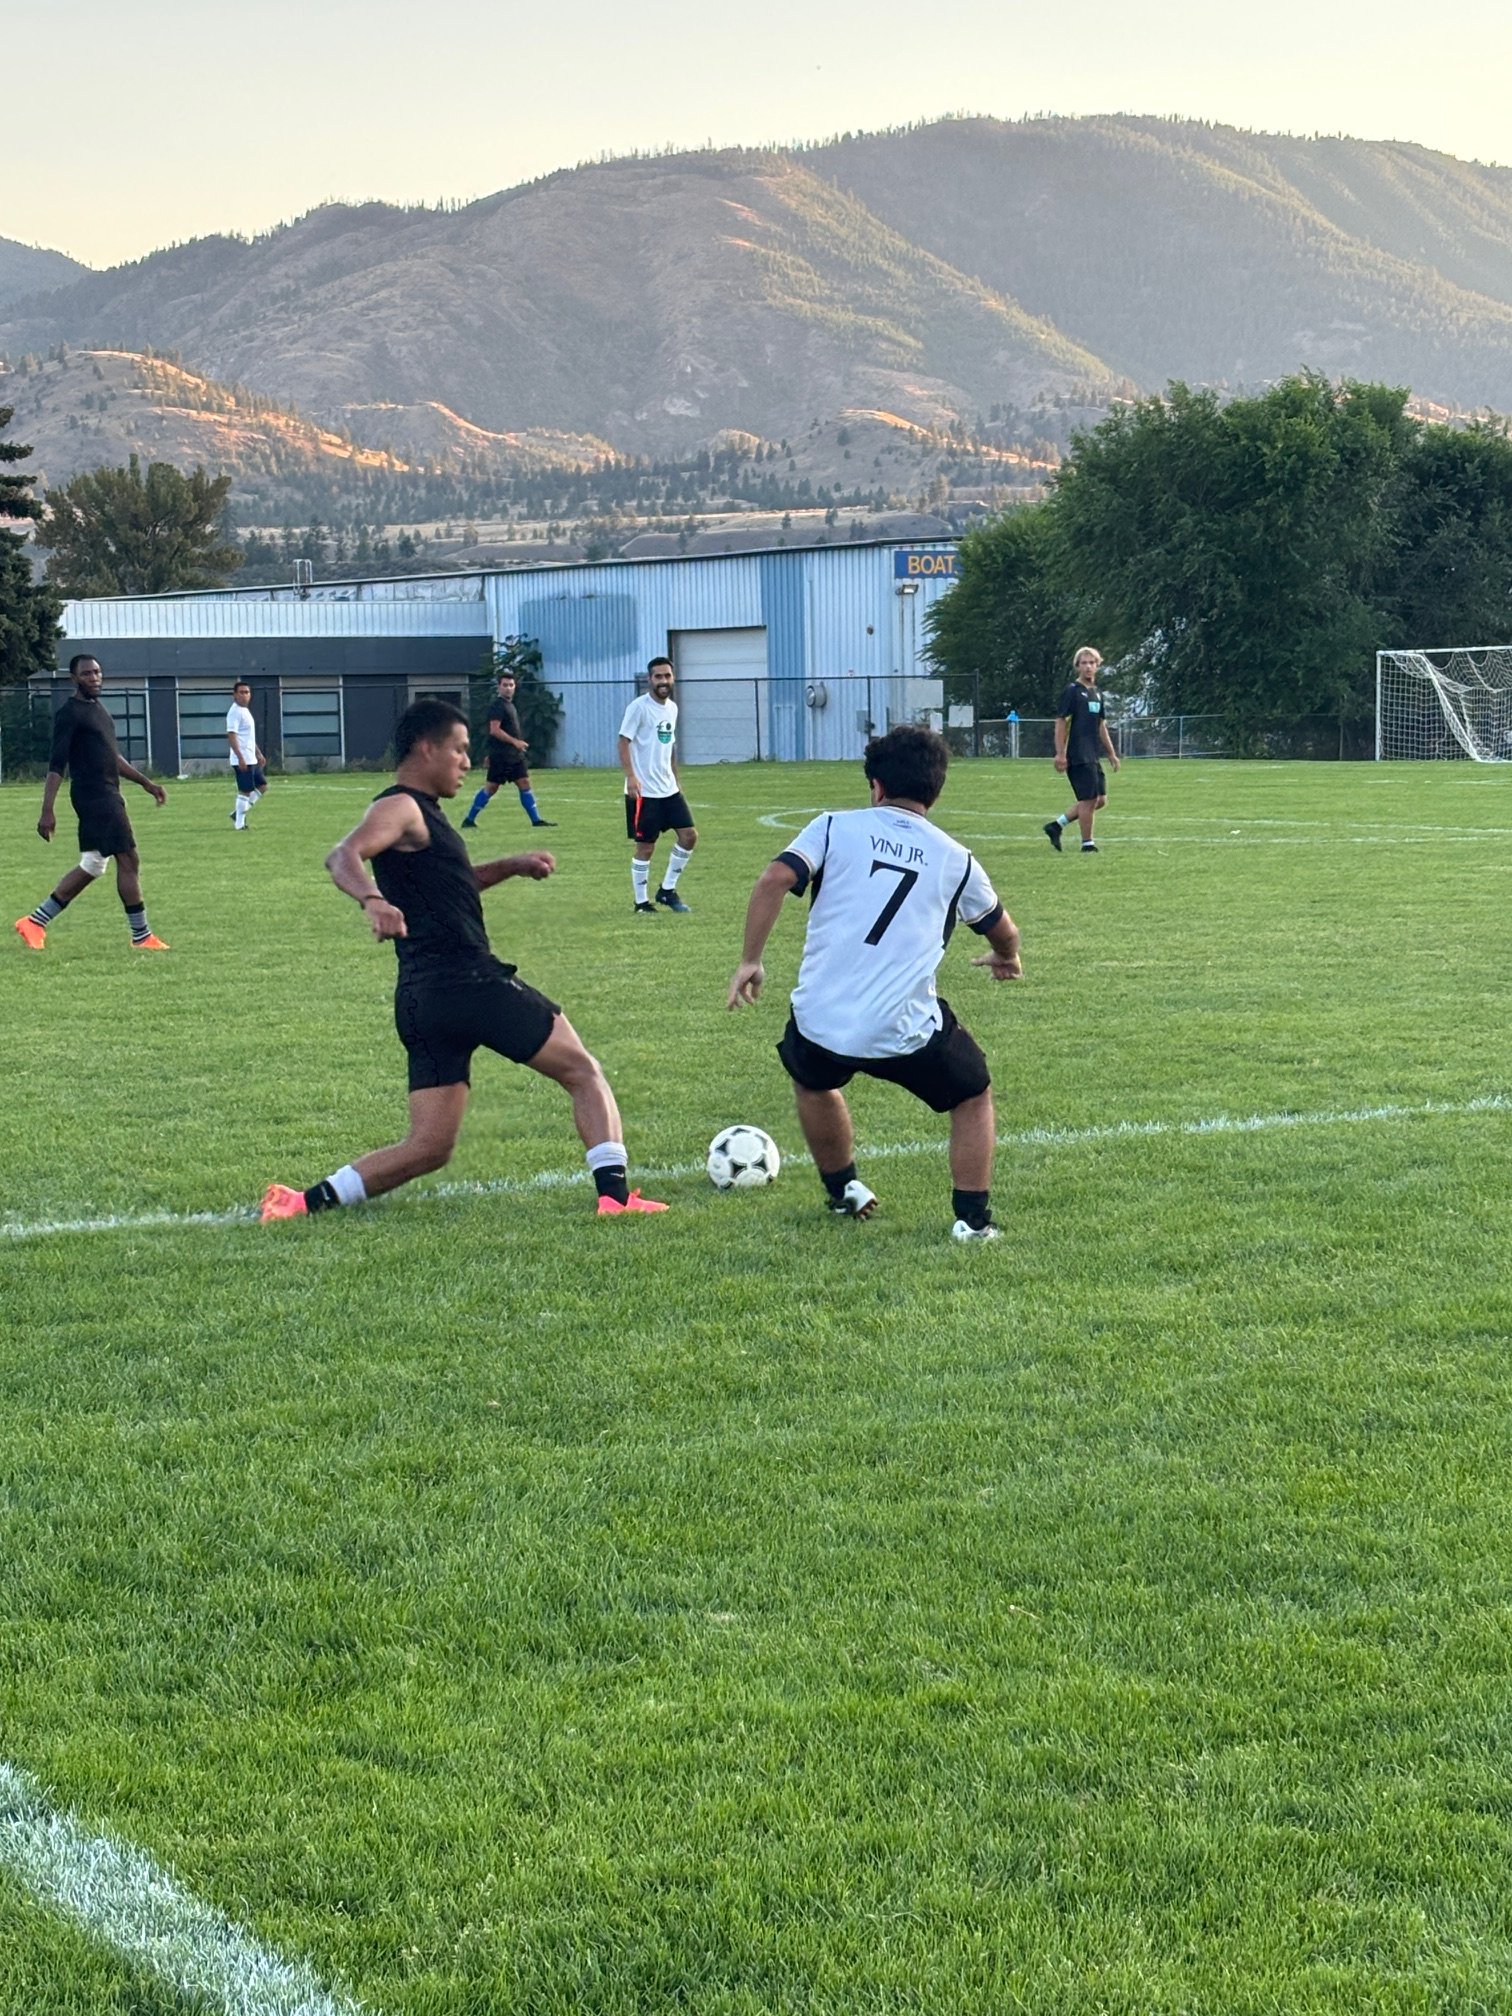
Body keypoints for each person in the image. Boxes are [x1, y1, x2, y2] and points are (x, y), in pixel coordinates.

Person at [260, 698, 665, 1223]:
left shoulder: (425, 818)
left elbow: (453, 885)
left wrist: (511, 865)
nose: (466, 762)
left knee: (429, 1147)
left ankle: (301, 1202)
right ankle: (615, 1197)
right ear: (427, 748)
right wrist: (373, 900)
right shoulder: (401, 806)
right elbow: (343, 855)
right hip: (470, 983)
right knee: (584, 1071)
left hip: (422, 999)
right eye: (459, 750)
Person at [727, 723, 1022, 1243]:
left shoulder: (832, 827)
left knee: (813, 1075)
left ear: (877, 788)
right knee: (973, 1093)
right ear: (936, 790)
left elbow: (776, 878)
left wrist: (750, 960)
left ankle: (844, 1191)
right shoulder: (956, 859)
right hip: (902, 1029)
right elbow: (1002, 927)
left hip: (821, 1021)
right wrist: (1007, 956)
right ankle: (973, 1222)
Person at [14, 654, 169, 952]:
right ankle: (142, 936)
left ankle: (35, 922)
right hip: (95, 797)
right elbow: (57, 763)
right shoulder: (69, 713)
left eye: (97, 672)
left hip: (107, 793)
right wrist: (47, 810)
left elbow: (113, 756)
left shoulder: (98, 710)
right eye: (87, 674)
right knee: (129, 859)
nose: (94, 677)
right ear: (74, 678)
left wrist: (146, 783)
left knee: (94, 864)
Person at [618, 656, 695, 914]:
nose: (663, 681)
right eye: (658, 676)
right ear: (650, 679)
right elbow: (623, 741)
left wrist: (677, 778)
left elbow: (669, 745)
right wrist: (631, 777)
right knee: (646, 846)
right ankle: (641, 903)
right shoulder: (639, 708)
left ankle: (666, 891)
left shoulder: (672, 708)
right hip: (644, 791)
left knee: (689, 836)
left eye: (667, 676)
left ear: (673, 678)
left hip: (669, 789)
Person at [1044, 645, 1120, 853]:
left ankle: (1056, 825)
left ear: (1097, 666)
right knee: (1088, 799)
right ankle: (1088, 844)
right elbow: (1060, 721)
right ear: (1077, 666)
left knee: (1100, 799)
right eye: (1084, 663)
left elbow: (1101, 725)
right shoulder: (1072, 692)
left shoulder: (1096, 693)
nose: (1088, 666)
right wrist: (1060, 753)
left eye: (1092, 663)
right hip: (1077, 753)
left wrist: (1111, 753)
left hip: (1093, 753)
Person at [460, 670, 555, 831]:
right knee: (491, 788)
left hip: (514, 756)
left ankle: (536, 820)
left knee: (524, 783)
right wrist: (515, 742)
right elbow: (494, 730)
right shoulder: (497, 706)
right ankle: (469, 819)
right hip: (502, 756)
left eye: (511, 685)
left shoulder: (509, 705)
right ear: (499, 687)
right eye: (505, 685)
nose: (508, 688)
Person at [226, 679, 269, 830]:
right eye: (241, 692)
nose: (244, 695)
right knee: (245, 790)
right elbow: (232, 736)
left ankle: (237, 813)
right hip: (242, 758)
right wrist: (240, 757)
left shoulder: (245, 711)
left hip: (251, 757)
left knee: (262, 786)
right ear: (234, 695)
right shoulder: (235, 712)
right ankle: (239, 824)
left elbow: (248, 736)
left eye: (247, 692)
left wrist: (258, 753)